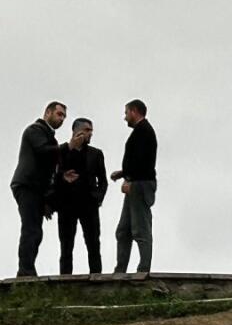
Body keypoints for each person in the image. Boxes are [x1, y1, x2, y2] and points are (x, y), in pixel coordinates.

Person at [10, 101, 66, 276]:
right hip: (27, 186)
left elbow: (50, 169)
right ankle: (25, 271)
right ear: (47, 112)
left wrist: (48, 197)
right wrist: (67, 147)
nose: (62, 118)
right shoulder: (34, 130)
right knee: (31, 229)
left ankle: (27, 269)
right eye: (59, 114)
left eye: (63, 116)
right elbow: (43, 151)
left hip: (36, 189)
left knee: (36, 230)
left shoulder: (49, 137)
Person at [53, 117, 108, 275]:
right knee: (66, 246)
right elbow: (52, 176)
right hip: (66, 205)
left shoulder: (96, 154)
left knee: (93, 244)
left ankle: (96, 278)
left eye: (91, 131)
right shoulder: (61, 150)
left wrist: (98, 198)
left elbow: (103, 180)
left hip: (89, 205)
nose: (90, 134)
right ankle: (65, 281)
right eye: (87, 130)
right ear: (77, 131)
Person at [111, 99, 157, 275]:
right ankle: (120, 269)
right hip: (137, 183)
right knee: (123, 231)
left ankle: (143, 270)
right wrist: (123, 173)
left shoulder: (144, 131)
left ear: (135, 111)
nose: (125, 117)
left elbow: (141, 163)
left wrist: (129, 179)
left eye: (126, 113)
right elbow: (140, 160)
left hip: (140, 185)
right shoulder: (141, 132)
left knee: (141, 229)